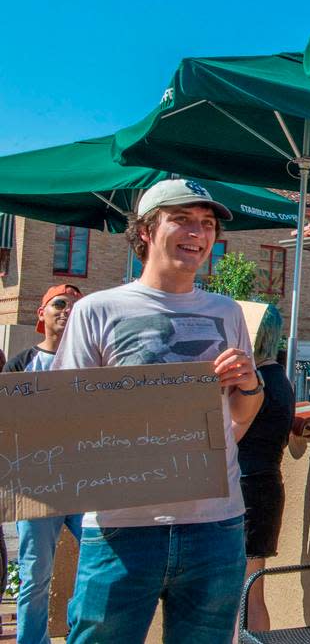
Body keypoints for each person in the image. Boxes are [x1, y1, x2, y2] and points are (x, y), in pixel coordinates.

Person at [54, 178, 263, 644]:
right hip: (120, 530)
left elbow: (240, 419)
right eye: (182, 220)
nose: (199, 233)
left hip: (217, 525)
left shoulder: (229, 313)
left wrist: (248, 384)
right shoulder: (97, 310)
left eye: (207, 224)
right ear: (146, 230)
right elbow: (64, 418)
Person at [4, 283, 83, 644]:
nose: (67, 310)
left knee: (100, 566)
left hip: (86, 485)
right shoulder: (21, 364)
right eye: (59, 304)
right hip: (38, 488)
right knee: (35, 575)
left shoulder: (93, 362)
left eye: (75, 305)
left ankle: (80, 635)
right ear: (42, 314)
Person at [237, 304, 294, 633]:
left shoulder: (256, 382)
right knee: (253, 592)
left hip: (247, 487)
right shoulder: (281, 380)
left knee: (245, 592)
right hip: (266, 484)